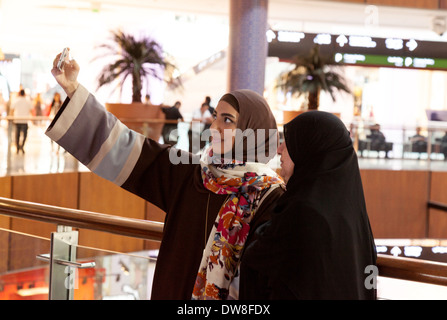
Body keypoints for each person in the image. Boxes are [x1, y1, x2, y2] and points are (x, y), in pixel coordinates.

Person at [46, 52, 284, 300]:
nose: (214, 128)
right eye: (215, 117)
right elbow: (126, 147)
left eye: (227, 120)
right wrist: (72, 88)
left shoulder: (269, 197)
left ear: (252, 130)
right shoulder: (192, 175)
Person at [240, 111, 377, 300]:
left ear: (309, 150)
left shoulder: (303, 214)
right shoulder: (355, 218)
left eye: (288, 141)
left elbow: (260, 265)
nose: (279, 149)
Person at [11, 89, 33, 154]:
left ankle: (18, 147)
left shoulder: (16, 100)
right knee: (24, 135)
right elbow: (31, 110)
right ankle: (21, 146)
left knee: (17, 135)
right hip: (24, 120)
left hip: (17, 120)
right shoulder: (27, 101)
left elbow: (12, 109)